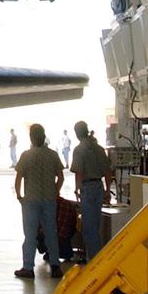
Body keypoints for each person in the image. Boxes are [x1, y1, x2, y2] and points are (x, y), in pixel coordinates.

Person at [14, 123, 64, 280]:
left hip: (31, 200)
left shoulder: (26, 156)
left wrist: (19, 196)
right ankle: (55, 266)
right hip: (49, 200)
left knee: (30, 234)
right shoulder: (53, 155)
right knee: (51, 233)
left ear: (31, 138)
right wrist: (55, 191)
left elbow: (19, 178)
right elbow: (60, 177)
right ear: (44, 137)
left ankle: (28, 267)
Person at [71, 120, 114, 262]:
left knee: (88, 229)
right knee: (95, 226)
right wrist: (107, 191)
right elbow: (107, 172)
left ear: (77, 134)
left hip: (87, 189)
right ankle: (95, 257)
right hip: (99, 187)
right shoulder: (99, 148)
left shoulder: (79, 149)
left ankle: (95, 261)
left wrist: (78, 190)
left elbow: (79, 173)